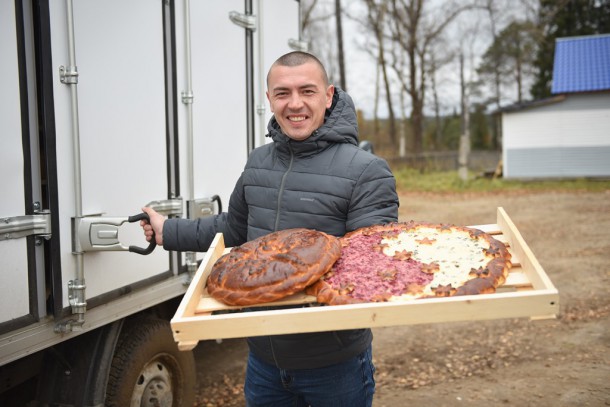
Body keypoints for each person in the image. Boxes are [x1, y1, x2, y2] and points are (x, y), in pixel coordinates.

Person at [141, 51, 399, 406]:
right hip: (264, 362)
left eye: (307, 91)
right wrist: (167, 231)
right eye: (282, 93)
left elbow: (369, 262)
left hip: (334, 365)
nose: (295, 104)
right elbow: (233, 230)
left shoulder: (367, 171)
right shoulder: (258, 162)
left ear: (328, 95)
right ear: (269, 100)